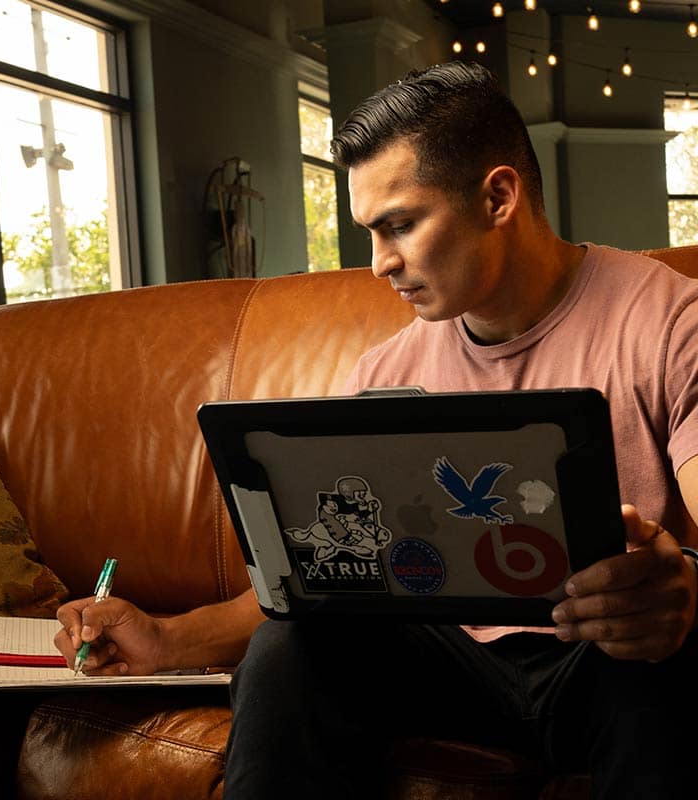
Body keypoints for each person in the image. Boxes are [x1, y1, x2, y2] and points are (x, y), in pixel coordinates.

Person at [55, 61, 698, 799]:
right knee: (293, 640)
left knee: (666, 665)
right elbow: (319, 581)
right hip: (446, 666)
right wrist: (164, 638)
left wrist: (685, 588)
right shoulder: (386, 372)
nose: (379, 264)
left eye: (399, 225)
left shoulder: (671, 320)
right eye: (370, 232)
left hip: (611, 660)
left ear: (498, 196)